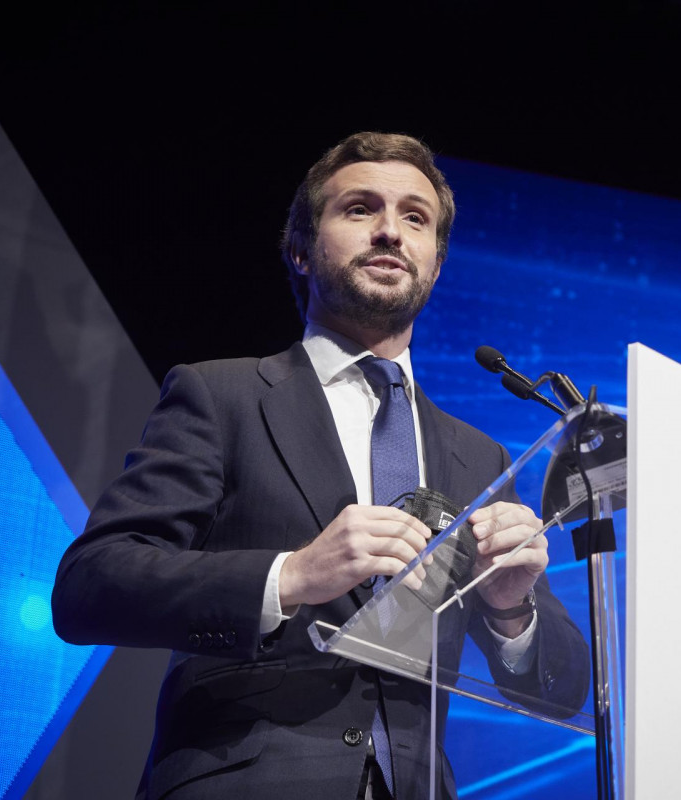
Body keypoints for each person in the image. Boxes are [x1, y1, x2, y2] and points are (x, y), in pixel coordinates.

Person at [52, 132, 589, 800]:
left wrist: (513, 613)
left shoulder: (478, 456)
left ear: (437, 263)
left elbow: (565, 690)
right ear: (301, 251)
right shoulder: (223, 397)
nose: (391, 231)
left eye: (415, 218)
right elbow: (89, 587)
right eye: (360, 209)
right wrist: (293, 574)